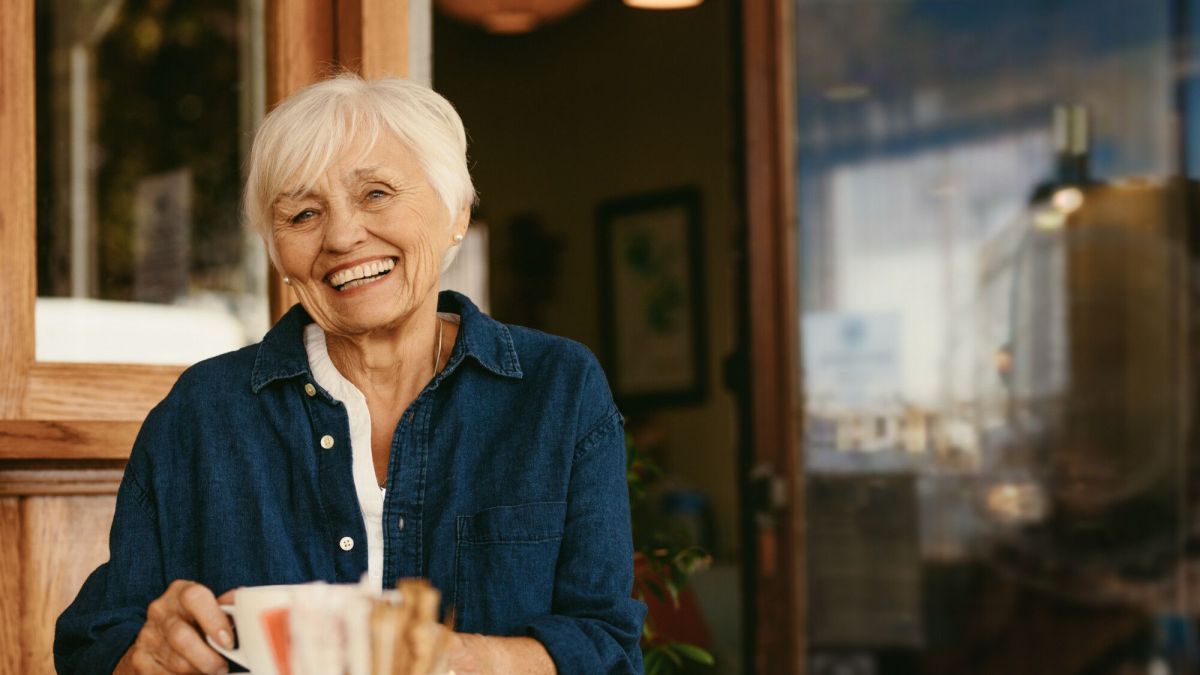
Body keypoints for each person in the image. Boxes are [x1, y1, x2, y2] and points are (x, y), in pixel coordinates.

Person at [54, 74, 645, 674]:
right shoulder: (202, 412)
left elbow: (605, 647)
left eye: (377, 194)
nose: (341, 236)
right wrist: (144, 657)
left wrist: (460, 658)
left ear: (456, 213)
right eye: (303, 213)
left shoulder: (556, 389)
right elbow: (94, 646)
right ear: (277, 250)